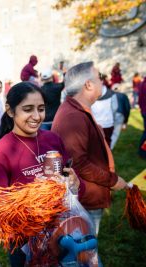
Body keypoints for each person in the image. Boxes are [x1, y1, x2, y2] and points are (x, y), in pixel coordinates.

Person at [0, 82, 82, 267]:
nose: (37, 116)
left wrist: (74, 185)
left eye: (41, 109)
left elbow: (68, 179)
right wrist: (35, 201)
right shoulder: (0, 153)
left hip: (62, 232)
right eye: (28, 109)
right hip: (25, 243)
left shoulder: (52, 139)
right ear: (10, 111)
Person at [52, 62, 127, 234]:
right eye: (99, 77)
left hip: (87, 194)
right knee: (85, 254)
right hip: (85, 199)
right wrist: (113, 180)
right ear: (88, 84)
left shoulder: (77, 109)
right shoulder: (73, 116)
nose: (103, 81)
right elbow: (78, 163)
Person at [110, 84, 131, 150]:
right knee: (115, 133)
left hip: (109, 115)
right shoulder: (123, 96)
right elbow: (127, 108)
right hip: (119, 115)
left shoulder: (110, 95)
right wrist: (125, 121)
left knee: (108, 132)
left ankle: (107, 148)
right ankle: (109, 149)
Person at [138, 75, 146, 158]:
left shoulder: (142, 83)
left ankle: (142, 152)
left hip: (143, 111)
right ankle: (142, 152)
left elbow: (140, 98)